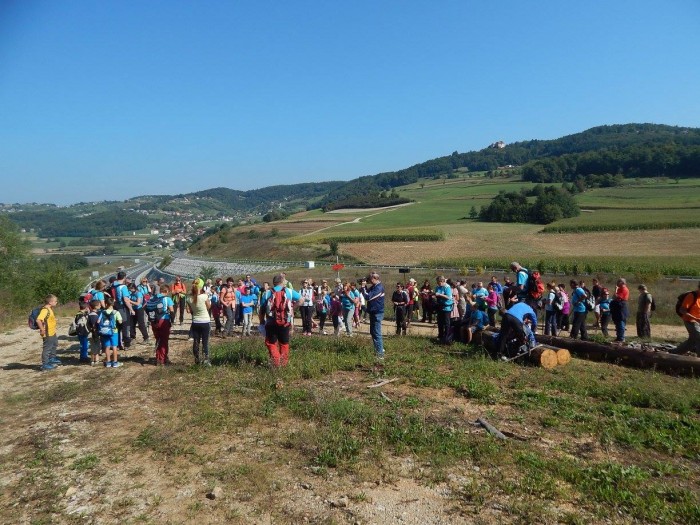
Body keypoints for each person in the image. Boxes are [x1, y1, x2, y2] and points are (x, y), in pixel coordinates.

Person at [259, 273, 301, 367]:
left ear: (274, 283)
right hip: (285, 322)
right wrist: (292, 308)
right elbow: (301, 299)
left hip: (271, 322)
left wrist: (262, 322)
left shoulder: (267, 293)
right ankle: (283, 364)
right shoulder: (289, 291)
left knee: (271, 343)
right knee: (284, 343)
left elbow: (261, 310)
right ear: (282, 282)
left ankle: (276, 363)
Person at [186, 280, 212, 365]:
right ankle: (206, 360)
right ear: (201, 287)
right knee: (205, 342)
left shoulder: (189, 298)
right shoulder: (204, 296)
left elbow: (188, 311)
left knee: (196, 341)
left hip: (195, 322)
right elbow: (209, 306)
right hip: (205, 321)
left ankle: (197, 360)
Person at [361, 272, 385, 359]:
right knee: (373, 332)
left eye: (370, 279)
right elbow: (366, 292)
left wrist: (363, 287)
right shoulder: (374, 286)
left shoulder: (379, 288)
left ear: (375, 278)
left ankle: (380, 354)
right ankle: (379, 349)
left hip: (377, 313)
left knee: (377, 333)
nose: (369, 281)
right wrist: (363, 287)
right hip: (373, 312)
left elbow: (368, 297)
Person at [150, 283, 175, 366]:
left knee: (158, 339)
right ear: (166, 291)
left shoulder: (153, 298)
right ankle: (162, 360)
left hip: (154, 321)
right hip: (164, 320)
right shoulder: (167, 299)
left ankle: (158, 358)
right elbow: (172, 311)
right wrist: (172, 321)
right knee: (164, 340)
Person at [674, 281, 700, 355]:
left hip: (697, 321)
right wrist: (695, 318)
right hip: (690, 321)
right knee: (698, 337)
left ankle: (675, 352)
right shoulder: (691, 296)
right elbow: (682, 310)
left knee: (692, 341)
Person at [97, 296, 123, 368]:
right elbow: (120, 322)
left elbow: (98, 321)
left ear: (106, 304)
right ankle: (115, 362)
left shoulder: (102, 312)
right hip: (114, 331)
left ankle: (108, 362)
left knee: (107, 347)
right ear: (113, 304)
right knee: (114, 346)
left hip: (105, 331)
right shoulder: (116, 312)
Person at [36, 294, 60, 371]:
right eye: (55, 301)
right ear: (50, 302)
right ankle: (45, 364)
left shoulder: (49, 309)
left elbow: (48, 319)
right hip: (47, 333)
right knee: (47, 348)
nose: (56, 302)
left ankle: (52, 358)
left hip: (52, 331)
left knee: (54, 344)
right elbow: (38, 320)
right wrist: (42, 329)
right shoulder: (45, 310)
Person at [112, 271, 134, 351]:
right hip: (122, 308)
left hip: (114, 307)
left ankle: (117, 344)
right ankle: (127, 344)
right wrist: (131, 309)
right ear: (124, 277)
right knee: (125, 326)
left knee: (117, 327)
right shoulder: (123, 287)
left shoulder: (113, 285)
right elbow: (126, 300)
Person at [434, 276, 454, 345]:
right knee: (440, 322)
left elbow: (449, 297)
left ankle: (446, 337)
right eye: (437, 282)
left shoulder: (447, 287)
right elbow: (436, 294)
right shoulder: (437, 287)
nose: (437, 283)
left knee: (446, 322)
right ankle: (440, 335)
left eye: (438, 282)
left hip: (446, 308)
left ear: (442, 281)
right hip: (440, 306)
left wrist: (439, 294)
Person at [611, 278, 630, 342]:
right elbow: (613, 297)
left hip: (621, 305)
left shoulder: (624, 289)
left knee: (620, 322)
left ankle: (621, 338)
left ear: (622, 283)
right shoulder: (619, 289)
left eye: (619, 281)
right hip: (617, 306)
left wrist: (616, 290)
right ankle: (618, 337)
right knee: (617, 323)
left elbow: (616, 297)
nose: (617, 282)